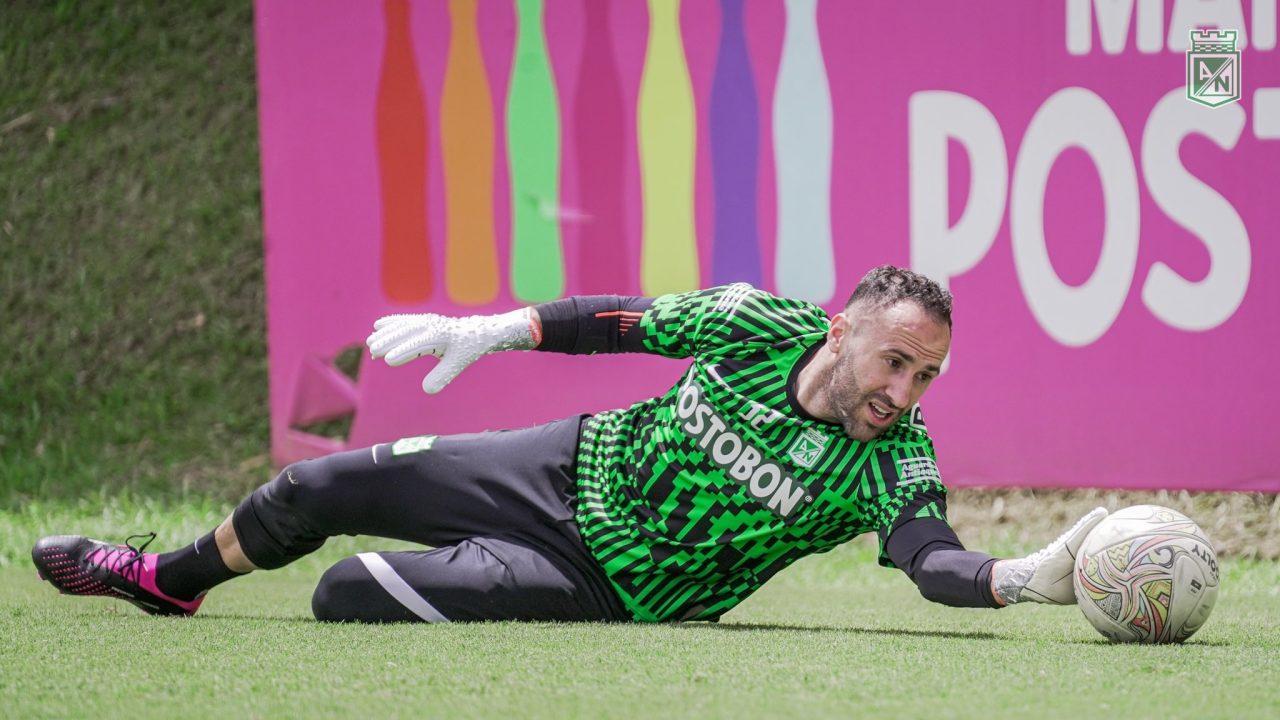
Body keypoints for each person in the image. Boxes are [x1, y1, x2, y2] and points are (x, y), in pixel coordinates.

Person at [32, 265, 1105, 622]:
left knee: (342, 595)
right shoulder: (754, 321)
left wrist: (1018, 578)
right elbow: (617, 323)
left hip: (602, 583)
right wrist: (489, 327)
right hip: (553, 462)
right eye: (893, 364)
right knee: (309, 486)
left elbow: (929, 558)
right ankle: (164, 581)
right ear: (840, 329)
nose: (903, 393)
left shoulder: (892, 460)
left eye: (924, 377)